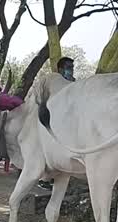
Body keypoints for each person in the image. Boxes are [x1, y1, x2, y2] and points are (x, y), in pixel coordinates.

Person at [38, 56, 76, 190]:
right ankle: (44, 178)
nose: (71, 71)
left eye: (72, 68)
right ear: (60, 69)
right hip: (51, 120)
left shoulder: (74, 83)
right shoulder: (50, 83)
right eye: (68, 68)